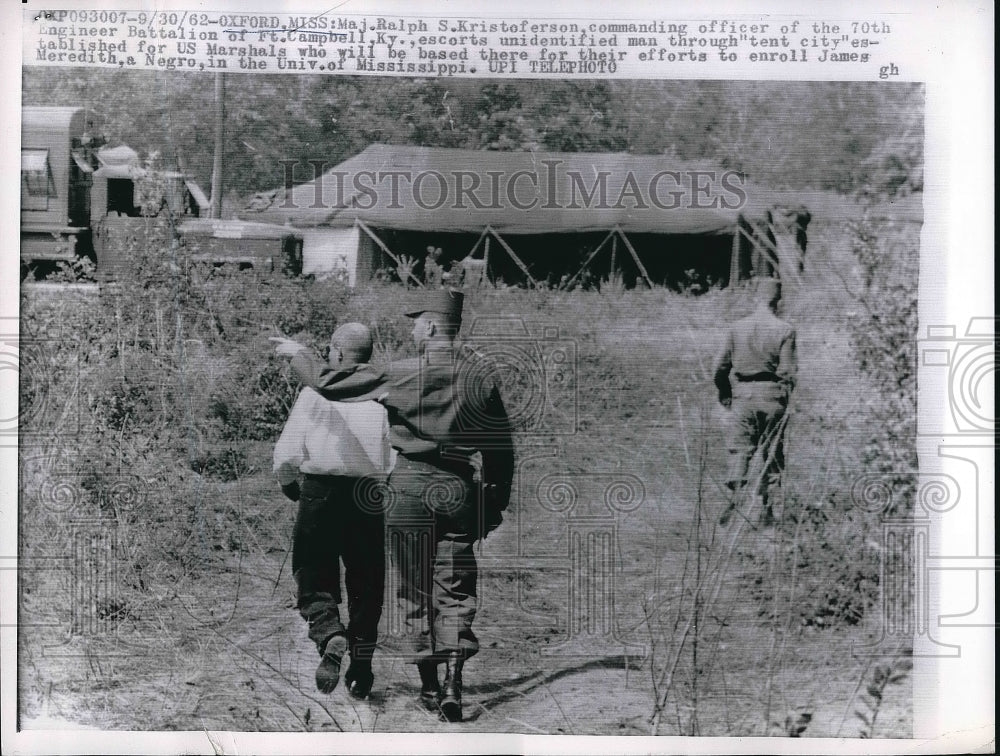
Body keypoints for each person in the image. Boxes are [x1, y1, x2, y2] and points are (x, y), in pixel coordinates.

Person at [271, 290, 515, 723]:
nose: (412, 329)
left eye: (417, 322)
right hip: (460, 488)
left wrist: (299, 354)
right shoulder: (482, 378)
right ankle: (455, 681)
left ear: (434, 327)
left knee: (415, 589)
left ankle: (429, 686)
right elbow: (501, 450)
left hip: (411, 487)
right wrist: (492, 503)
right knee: (455, 587)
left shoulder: (403, 374)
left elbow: (332, 384)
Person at [273, 323, 396, 698]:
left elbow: (288, 452)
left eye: (329, 350)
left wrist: (288, 483)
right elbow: (392, 455)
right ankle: (360, 666)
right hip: (366, 494)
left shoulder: (315, 394)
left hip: (320, 492)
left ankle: (329, 633)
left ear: (338, 353)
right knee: (367, 583)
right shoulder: (382, 395)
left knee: (314, 573)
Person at [713, 278, 797, 526]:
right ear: (778, 300)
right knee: (772, 453)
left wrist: (725, 391)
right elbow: (788, 372)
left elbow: (720, 367)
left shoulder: (736, 328)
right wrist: (786, 399)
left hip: (743, 396)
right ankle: (767, 510)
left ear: (756, 298)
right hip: (773, 396)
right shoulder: (785, 330)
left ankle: (736, 497)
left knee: (740, 450)